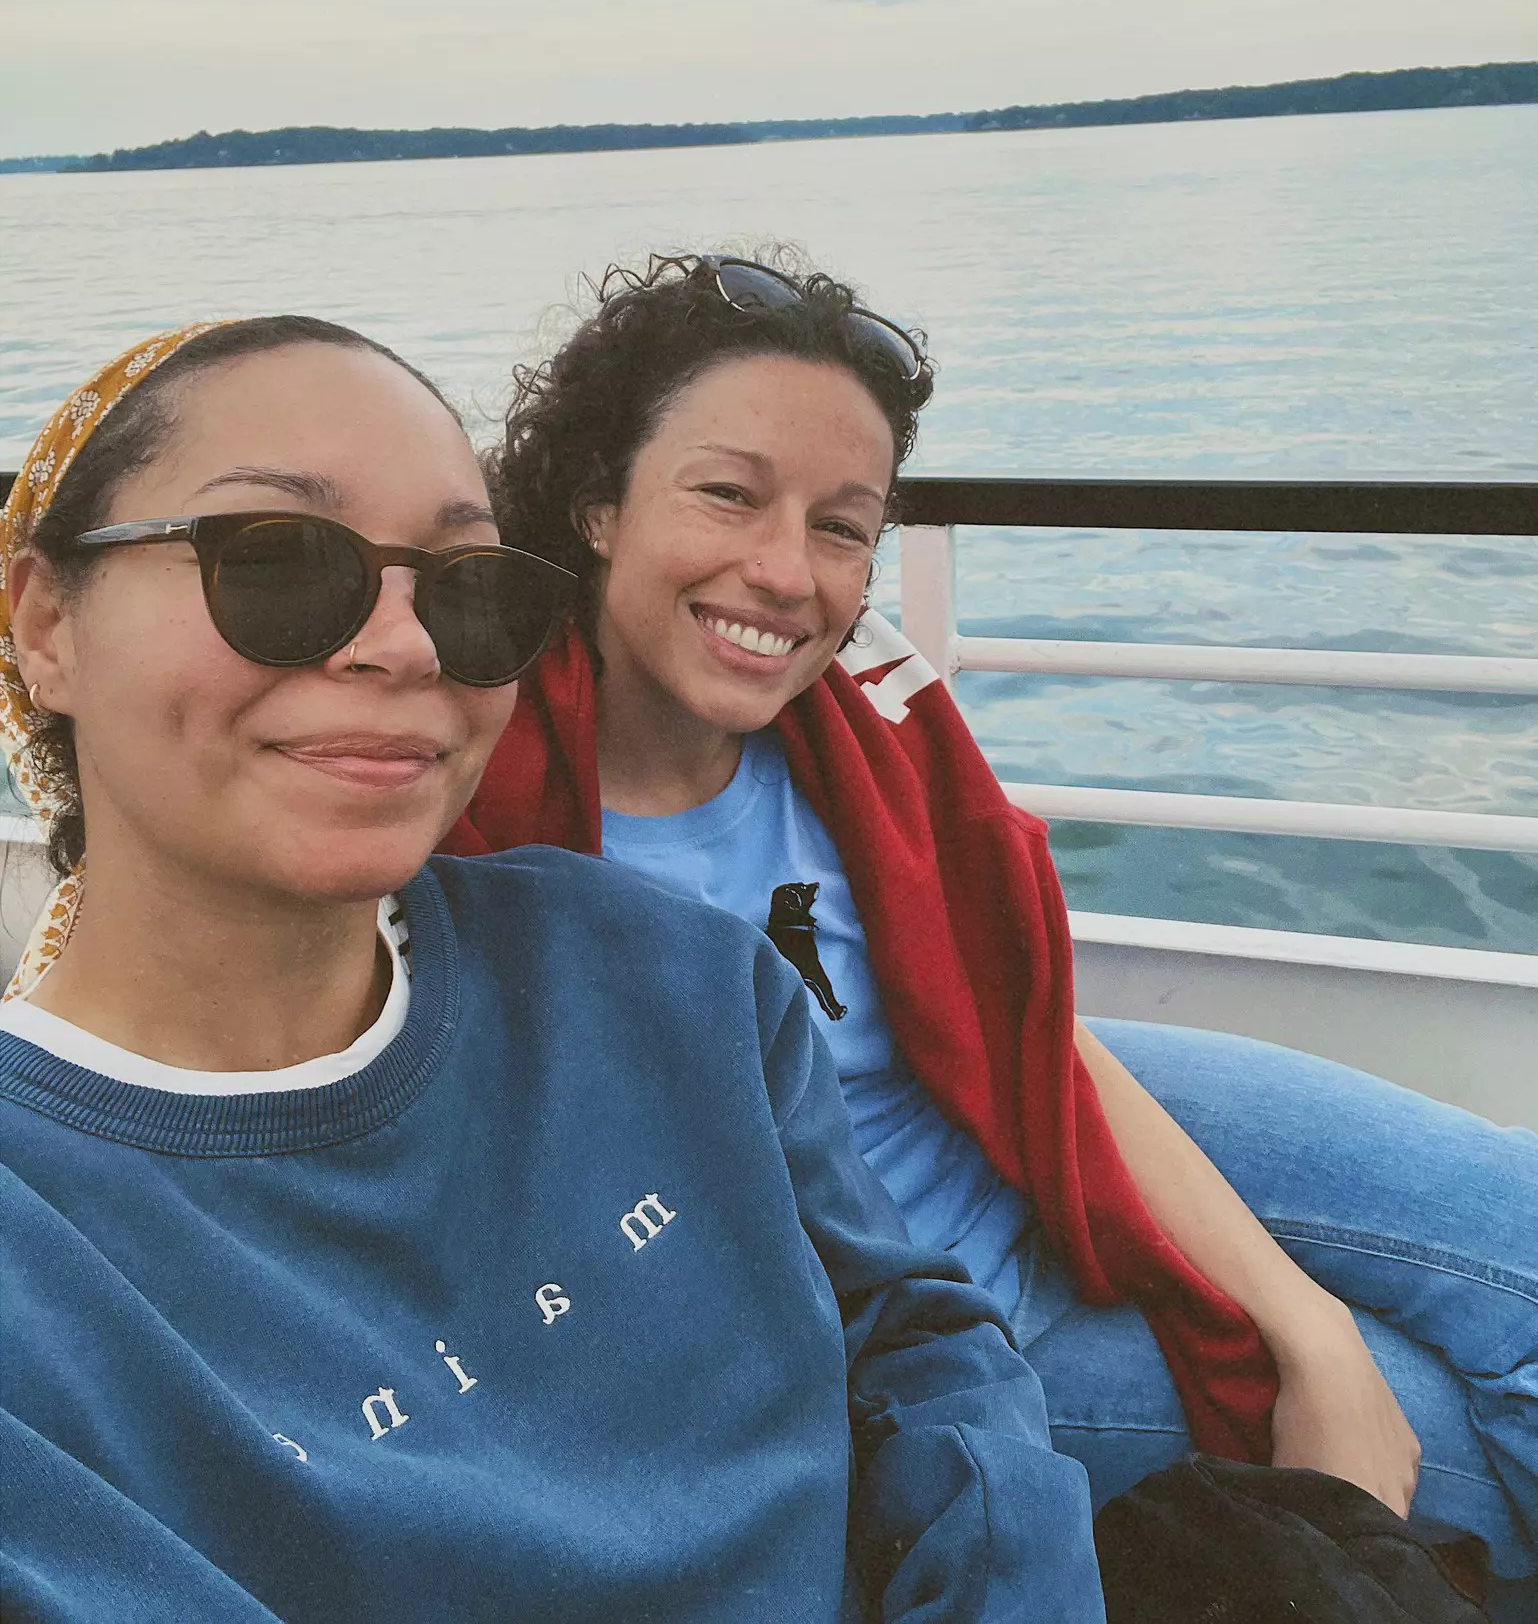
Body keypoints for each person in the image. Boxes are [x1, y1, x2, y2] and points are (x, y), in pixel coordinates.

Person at [446, 253, 1538, 1610]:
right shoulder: (470, 813)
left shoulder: (863, 728)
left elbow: (1020, 1023)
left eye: (841, 526)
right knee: (1439, 1426)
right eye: (726, 493)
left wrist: (1305, 1325)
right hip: (929, 1335)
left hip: (1017, 1112)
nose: (784, 572)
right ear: (598, 504)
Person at [0, 317, 1107, 1624]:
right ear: (45, 623)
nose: (409, 645)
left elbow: (912, 1337)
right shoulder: (41, 1258)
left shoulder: (664, 973)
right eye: (281, 560)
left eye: (467, 587)